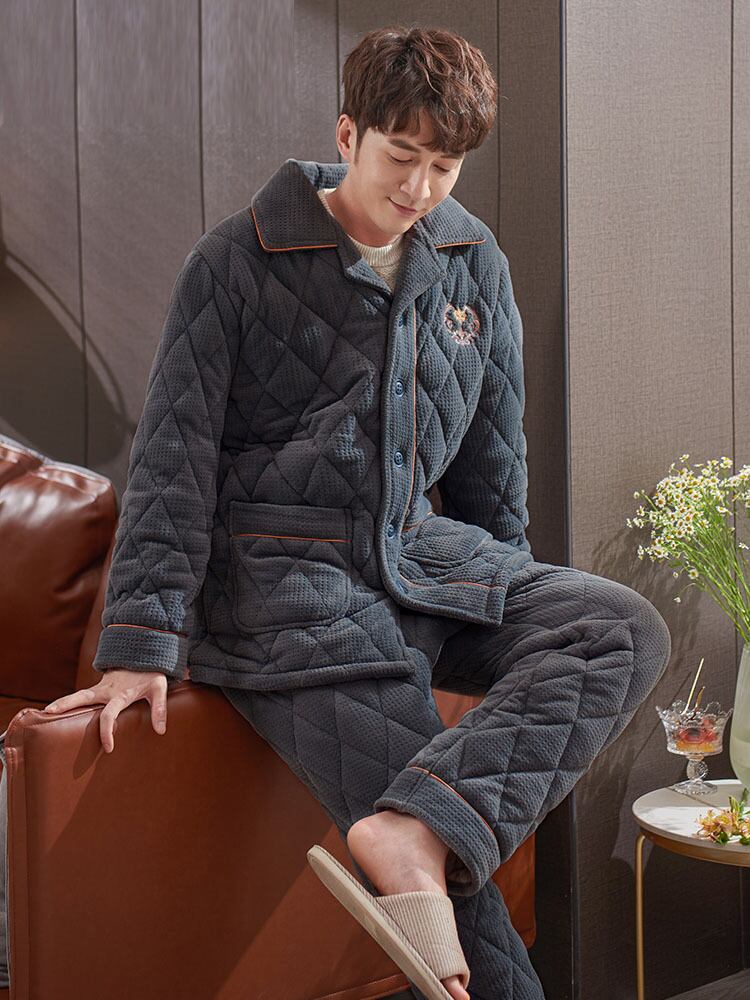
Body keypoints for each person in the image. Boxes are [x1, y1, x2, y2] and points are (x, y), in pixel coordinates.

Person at [0, 25, 672, 1000]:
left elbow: (492, 468)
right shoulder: (234, 263)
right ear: (348, 133)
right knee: (460, 903)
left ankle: (413, 826)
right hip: (285, 596)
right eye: (402, 157)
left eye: (445, 166)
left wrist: (500, 602)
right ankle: (420, 845)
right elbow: (173, 462)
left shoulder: (472, 261)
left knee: (623, 628)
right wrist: (141, 648)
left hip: (419, 560)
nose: (421, 187)